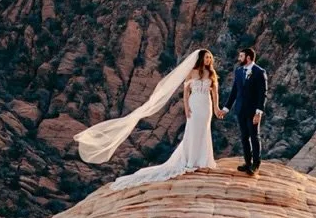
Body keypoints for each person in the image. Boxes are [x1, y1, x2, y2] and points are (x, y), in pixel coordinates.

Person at [73, 48, 222, 189]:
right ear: (201, 58)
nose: (209, 60)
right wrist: (187, 107)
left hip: (206, 105)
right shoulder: (192, 72)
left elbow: (215, 93)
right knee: (193, 131)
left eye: (210, 57)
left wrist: (216, 108)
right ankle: (191, 161)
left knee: (204, 130)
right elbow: (186, 92)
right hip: (194, 104)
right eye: (206, 57)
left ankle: (203, 160)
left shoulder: (211, 74)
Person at [222, 47, 267, 175]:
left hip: (253, 111)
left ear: (248, 57)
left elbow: (262, 94)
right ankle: (247, 163)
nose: (239, 58)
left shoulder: (259, 72)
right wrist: (226, 108)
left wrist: (259, 112)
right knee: (244, 137)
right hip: (240, 110)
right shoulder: (239, 71)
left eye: (241, 56)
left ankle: (255, 164)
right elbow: (234, 91)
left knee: (254, 137)